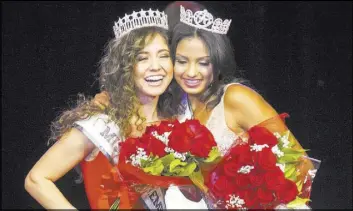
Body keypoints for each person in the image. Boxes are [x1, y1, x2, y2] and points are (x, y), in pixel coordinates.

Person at [94, 0, 314, 186]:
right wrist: (106, 100)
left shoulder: (236, 98)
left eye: (203, 63)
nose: (191, 72)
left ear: (217, 63)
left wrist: (250, 196)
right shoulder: (172, 106)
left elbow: (303, 166)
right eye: (181, 61)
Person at [24, 8, 182, 209]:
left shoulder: (177, 123)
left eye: (163, 55)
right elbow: (37, 179)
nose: (156, 66)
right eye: (142, 58)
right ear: (125, 66)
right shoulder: (102, 122)